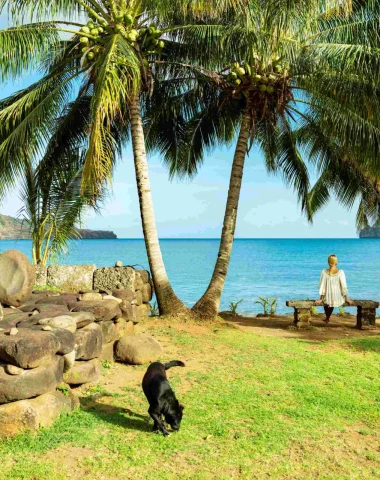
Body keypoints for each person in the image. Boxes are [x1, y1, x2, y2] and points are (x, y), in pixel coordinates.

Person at [315, 254, 354, 323]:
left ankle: (327, 318)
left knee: (327, 300)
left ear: (328, 262)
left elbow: (322, 287)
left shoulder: (324, 272)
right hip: (337, 297)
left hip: (330, 296)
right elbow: (344, 286)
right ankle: (327, 318)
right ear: (336, 262)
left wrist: (321, 298)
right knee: (329, 300)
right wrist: (346, 298)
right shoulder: (339, 272)